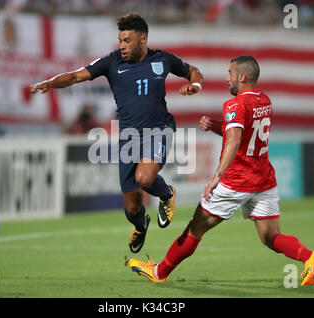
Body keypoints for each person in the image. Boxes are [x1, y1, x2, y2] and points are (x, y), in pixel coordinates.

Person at [128, 56, 314, 286]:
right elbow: (244, 134)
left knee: (194, 229)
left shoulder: (234, 105)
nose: (226, 78)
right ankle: (309, 257)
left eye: (229, 73)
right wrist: (215, 126)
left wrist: (216, 177)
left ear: (241, 77)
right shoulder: (265, 101)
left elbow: (234, 140)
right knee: (271, 237)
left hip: (236, 182)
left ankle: (159, 272)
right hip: (263, 181)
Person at [30, 13, 204, 253]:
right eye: (120, 39)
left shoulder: (162, 59)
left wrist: (195, 85)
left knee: (145, 178)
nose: (122, 45)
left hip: (160, 130)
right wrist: (50, 82)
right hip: (128, 139)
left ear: (142, 39)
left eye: (127, 40)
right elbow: (74, 76)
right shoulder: (112, 62)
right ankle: (141, 225)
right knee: (132, 209)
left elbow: (193, 71)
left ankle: (166, 194)